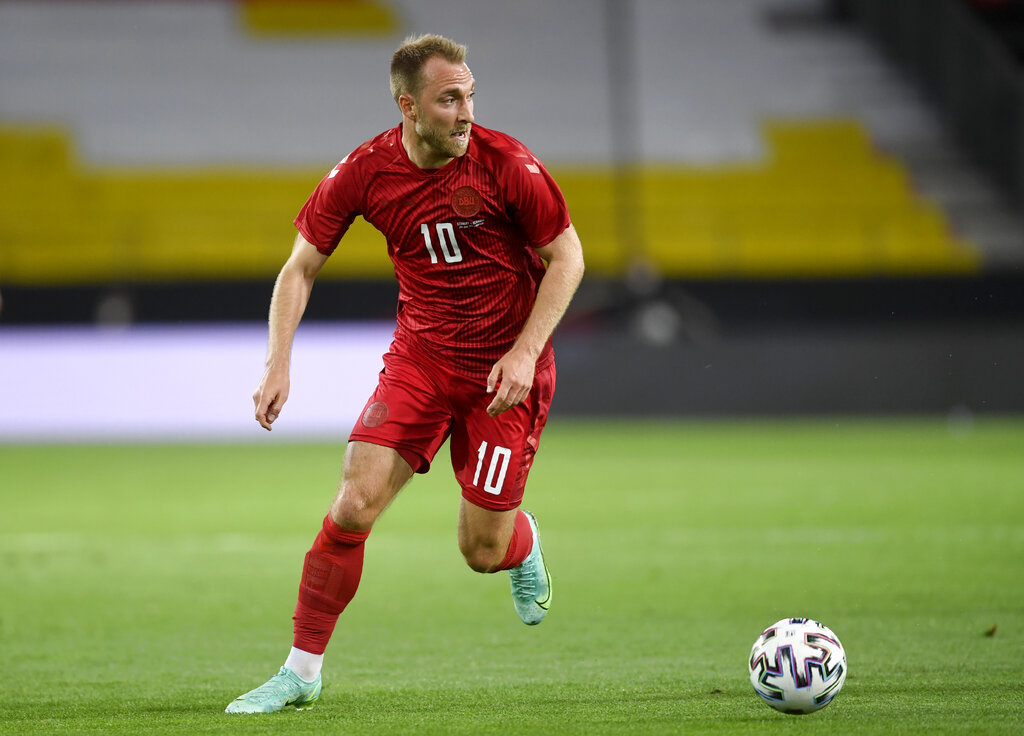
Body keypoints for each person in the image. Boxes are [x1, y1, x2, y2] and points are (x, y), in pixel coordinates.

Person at [225, 34, 585, 714]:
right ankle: (301, 671)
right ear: (408, 106)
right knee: (353, 502)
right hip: (420, 361)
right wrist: (278, 362)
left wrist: (526, 351)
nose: (466, 111)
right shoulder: (366, 172)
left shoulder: (508, 164)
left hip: (503, 373)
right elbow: (299, 267)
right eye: (450, 99)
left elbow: (568, 259)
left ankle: (521, 541)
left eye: (470, 95)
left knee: (481, 551)